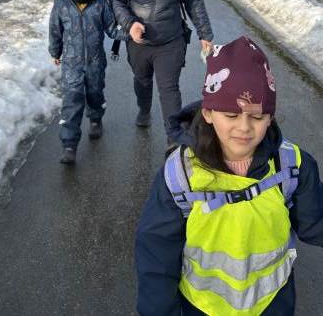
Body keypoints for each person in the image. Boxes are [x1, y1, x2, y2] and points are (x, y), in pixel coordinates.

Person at [135, 36, 323, 315]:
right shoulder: (180, 176)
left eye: (257, 116)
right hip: (201, 306)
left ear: (270, 117)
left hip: (271, 304)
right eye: (231, 115)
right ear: (208, 113)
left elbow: (315, 224)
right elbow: (157, 255)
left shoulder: (292, 166)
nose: (244, 128)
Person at [112, 0, 213, 138]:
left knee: (169, 89)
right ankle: (144, 110)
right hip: (139, 43)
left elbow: (193, 0)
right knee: (142, 81)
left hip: (170, 41)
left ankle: (174, 137)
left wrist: (205, 33)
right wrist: (130, 24)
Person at [49, 0, 126, 164]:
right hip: (71, 64)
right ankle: (69, 144)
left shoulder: (100, 4)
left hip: (95, 61)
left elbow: (111, 29)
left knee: (94, 93)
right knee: (72, 101)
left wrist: (130, 33)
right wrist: (55, 52)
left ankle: (95, 118)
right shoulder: (61, 5)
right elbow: (55, 32)